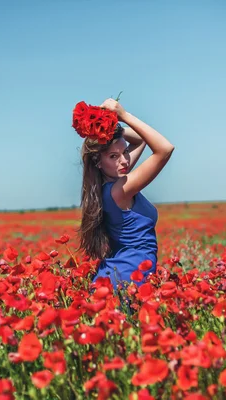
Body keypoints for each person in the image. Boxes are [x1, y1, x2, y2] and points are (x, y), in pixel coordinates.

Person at [78, 98, 175, 291]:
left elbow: (139, 140)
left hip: (122, 278)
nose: (124, 161)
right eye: (113, 156)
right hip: (126, 282)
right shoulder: (118, 191)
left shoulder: (111, 185)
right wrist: (124, 116)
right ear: (98, 162)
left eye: (124, 152)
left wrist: (110, 127)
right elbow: (164, 149)